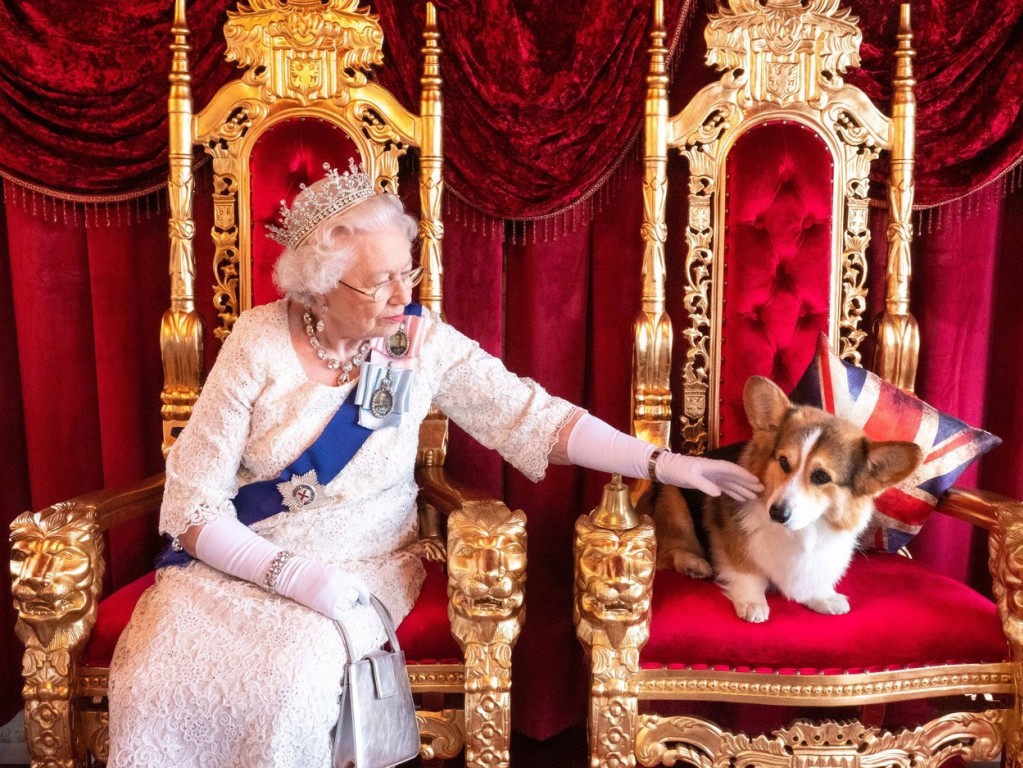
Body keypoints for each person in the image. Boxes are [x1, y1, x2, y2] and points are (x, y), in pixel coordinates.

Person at [106, 160, 761, 767]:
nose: (402, 296)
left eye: (407, 272)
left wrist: (663, 464)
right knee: (153, 676)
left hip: (360, 565)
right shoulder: (255, 340)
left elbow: (533, 417)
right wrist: (288, 573)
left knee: (288, 681)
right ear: (320, 287)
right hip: (242, 560)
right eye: (379, 281)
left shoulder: (412, 342)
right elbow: (193, 505)